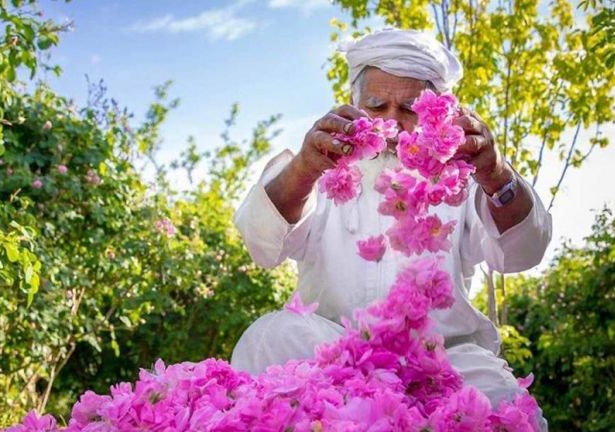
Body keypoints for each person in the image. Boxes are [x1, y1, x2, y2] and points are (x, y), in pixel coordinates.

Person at [230, 28, 552, 429]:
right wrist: (304, 167)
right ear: (354, 103)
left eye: (410, 109)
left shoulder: (465, 173)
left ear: (439, 111)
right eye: (377, 106)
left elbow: (525, 252)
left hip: (443, 358)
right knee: (271, 337)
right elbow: (260, 242)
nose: (393, 123)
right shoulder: (321, 166)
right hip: (329, 350)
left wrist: (494, 172)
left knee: (501, 400)